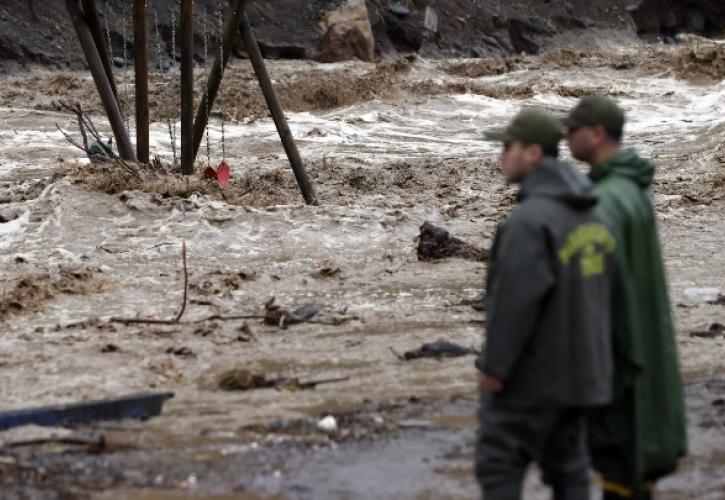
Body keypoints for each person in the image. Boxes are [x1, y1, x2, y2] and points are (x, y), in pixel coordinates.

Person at [476, 108, 617, 500]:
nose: (500, 155)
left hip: (532, 381)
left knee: (499, 464)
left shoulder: (528, 222)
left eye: (508, 146)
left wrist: (495, 369)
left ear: (533, 153)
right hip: (584, 378)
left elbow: (514, 304)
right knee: (570, 471)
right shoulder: (595, 214)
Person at [564, 96, 687, 500]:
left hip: (618, 354)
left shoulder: (606, 200)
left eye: (573, 129)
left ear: (596, 134)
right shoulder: (633, 189)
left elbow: (594, 292)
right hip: (646, 344)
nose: (566, 136)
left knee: (619, 465)